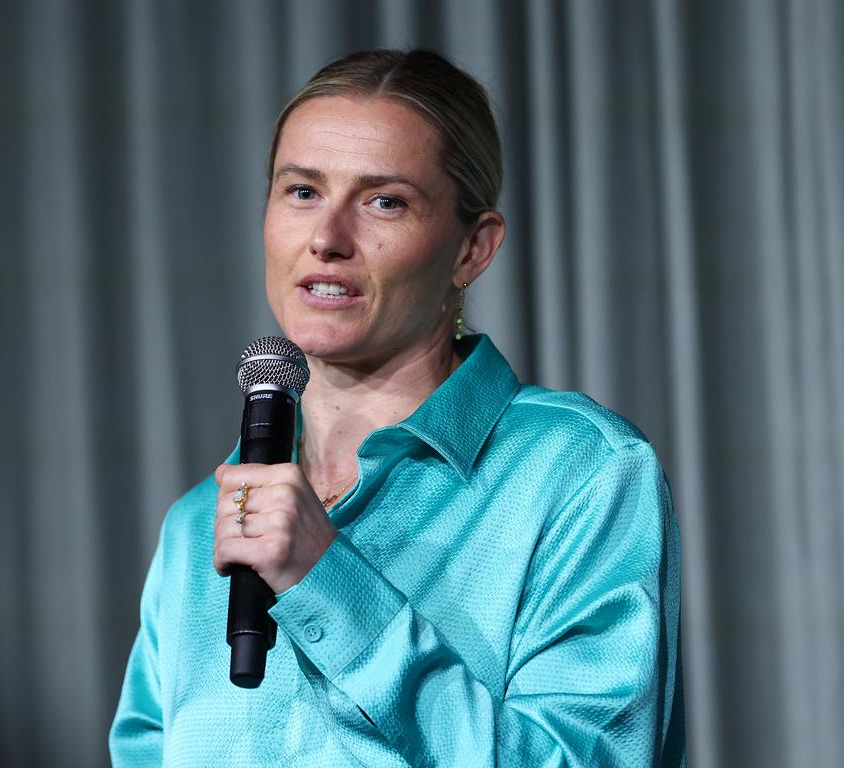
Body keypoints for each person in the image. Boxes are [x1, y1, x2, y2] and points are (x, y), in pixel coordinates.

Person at [110, 48, 685, 766]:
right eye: (301, 192)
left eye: (385, 201)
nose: (327, 238)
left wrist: (328, 582)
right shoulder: (201, 523)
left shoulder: (580, 473)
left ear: (472, 249)